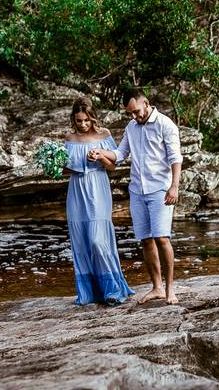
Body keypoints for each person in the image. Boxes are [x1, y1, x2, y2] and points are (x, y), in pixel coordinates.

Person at [91, 87, 183, 305]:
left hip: (160, 189)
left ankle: (170, 290)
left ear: (146, 104)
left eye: (136, 111)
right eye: (129, 113)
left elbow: (175, 158)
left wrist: (174, 186)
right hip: (137, 190)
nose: (134, 116)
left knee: (162, 238)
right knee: (146, 240)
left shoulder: (165, 124)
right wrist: (101, 153)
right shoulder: (131, 127)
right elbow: (120, 154)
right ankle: (157, 287)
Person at [63, 96, 134, 306]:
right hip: (76, 190)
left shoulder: (104, 134)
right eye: (79, 121)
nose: (83, 124)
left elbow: (112, 166)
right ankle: (90, 292)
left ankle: (113, 288)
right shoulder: (69, 137)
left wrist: (100, 157)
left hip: (97, 188)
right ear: (73, 119)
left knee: (98, 240)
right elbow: (64, 170)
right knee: (81, 241)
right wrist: (56, 164)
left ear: (92, 117)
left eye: (86, 120)